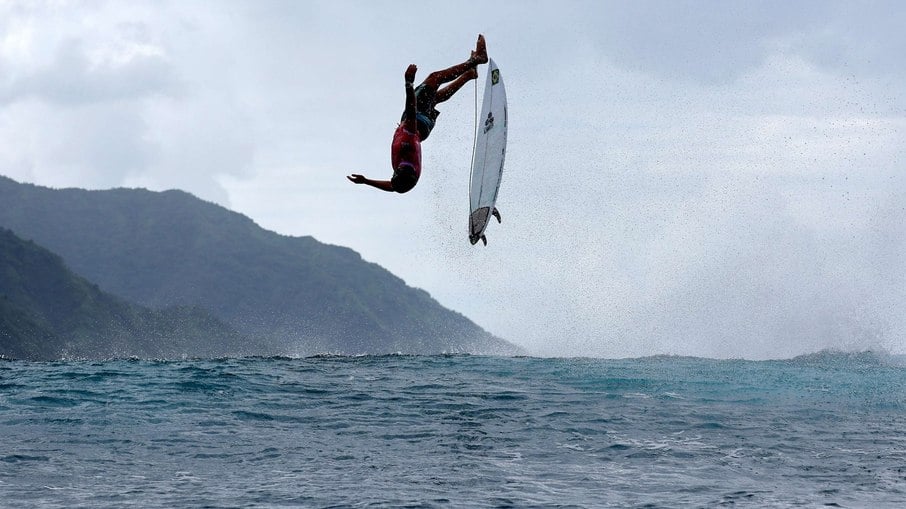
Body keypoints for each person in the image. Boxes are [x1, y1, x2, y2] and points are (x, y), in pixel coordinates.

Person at [347, 35, 488, 194]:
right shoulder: (406, 142)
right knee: (434, 79)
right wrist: (409, 83)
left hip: (424, 127)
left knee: (435, 98)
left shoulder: (408, 178)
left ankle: (469, 75)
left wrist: (366, 181)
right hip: (416, 120)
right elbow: (411, 107)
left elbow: (393, 187)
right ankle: (477, 59)